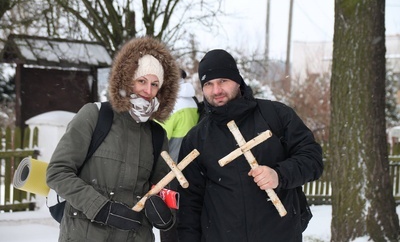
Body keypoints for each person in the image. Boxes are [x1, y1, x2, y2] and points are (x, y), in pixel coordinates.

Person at [176, 49, 324, 242]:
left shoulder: (276, 116)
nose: (216, 90)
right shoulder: (197, 139)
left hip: (280, 235)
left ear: (237, 80)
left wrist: (279, 175)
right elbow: (189, 205)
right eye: (209, 84)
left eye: (223, 81)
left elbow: (312, 159)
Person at [46, 36, 180, 241]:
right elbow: (58, 172)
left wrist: (165, 215)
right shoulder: (95, 115)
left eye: (155, 84)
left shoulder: (156, 134)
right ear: (127, 79)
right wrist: (100, 208)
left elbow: (163, 189)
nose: (148, 90)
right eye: (142, 81)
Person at [157, 69, 199, 242]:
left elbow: (156, 139)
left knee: (168, 224)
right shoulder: (192, 101)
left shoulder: (171, 106)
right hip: (191, 169)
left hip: (171, 172)